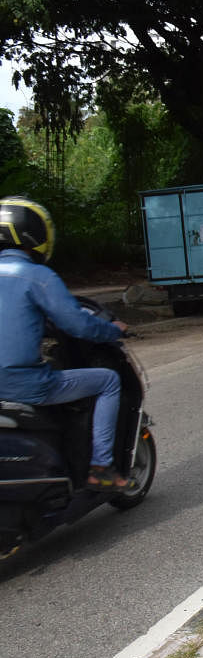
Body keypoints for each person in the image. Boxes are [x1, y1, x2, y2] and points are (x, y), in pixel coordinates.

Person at [0, 197, 132, 491]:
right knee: (109, 381)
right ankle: (101, 467)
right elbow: (78, 324)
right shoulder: (37, 276)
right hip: (24, 385)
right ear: (35, 234)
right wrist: (112, 330)